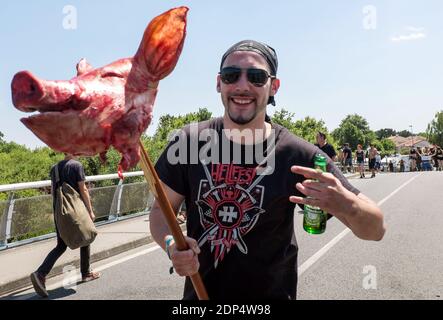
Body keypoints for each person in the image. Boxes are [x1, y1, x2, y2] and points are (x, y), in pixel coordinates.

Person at [149, 40, 385, 300]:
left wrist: (346, 204)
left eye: (256, 77)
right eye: (231, 75)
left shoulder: (299, 155)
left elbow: (375, 230)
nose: (242, 85)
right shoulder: (189, 142)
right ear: (219, 83)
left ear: (273, 86)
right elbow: (162, 210)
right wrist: (172, 245)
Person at [30, 154, 100, 298]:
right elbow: (83, 189)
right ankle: (85, 273)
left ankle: (41, 274)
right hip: (76, 212)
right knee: (86, 235)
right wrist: (90, 211)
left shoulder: (54, 168)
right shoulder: (77, 166)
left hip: (59, 212)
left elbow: (54, 192)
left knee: (61, 245)